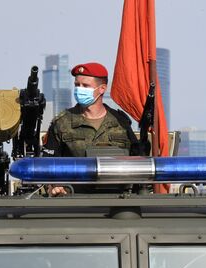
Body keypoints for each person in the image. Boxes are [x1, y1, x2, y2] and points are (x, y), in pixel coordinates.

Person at [42, 62, 139, 196]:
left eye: (85, 86)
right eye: (77, 85)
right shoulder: (62, 123)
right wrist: (54, 185)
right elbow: (47, 162)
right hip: (74, 198)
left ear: (102, 89)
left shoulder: (121, 122)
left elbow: (137, 159)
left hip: (117, 199)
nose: (79, 89)